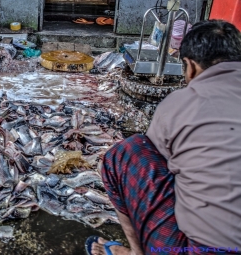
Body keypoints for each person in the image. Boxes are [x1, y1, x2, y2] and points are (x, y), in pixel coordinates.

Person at [86, 20, 241, 255]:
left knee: (126, 152)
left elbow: (159, 162)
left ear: (190, 67)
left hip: (210, 249)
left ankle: (137, 252)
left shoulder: (182, 103)